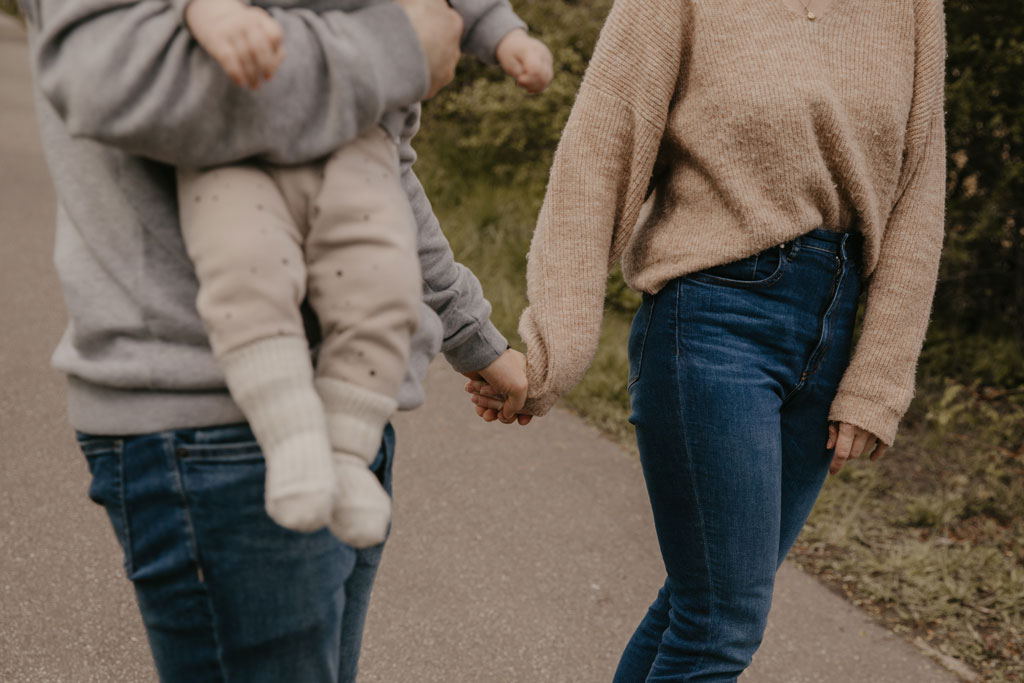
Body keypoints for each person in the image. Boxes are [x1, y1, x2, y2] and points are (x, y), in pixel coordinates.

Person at [19, 0, 531, 679]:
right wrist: (397, 46)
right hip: (214, 424)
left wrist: (473, 335)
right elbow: (118, 76)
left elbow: (375, 159)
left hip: (351, 414)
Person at [470, 0, 946, 679]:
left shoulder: (913, 9)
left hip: (832, 331)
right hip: (715, 320)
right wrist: (554, 353)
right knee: (721, 622)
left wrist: (879, 376)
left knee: (697, 608)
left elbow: (920, 188)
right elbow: (598, 154)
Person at [172, 0, 552, 548]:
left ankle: (347, 454)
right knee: (247, 276)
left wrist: (505, 37)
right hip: (240, 146)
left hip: (364, 147)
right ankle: (292, 438)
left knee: (384, 291)